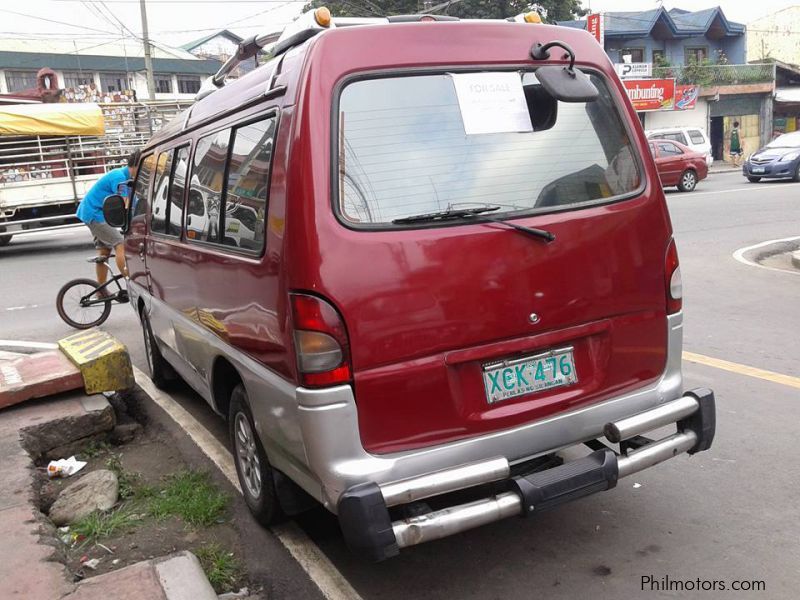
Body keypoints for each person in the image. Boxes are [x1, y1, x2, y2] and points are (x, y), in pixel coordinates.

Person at [76, 150, 139, 290]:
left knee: (104, 251)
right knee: (120, 243)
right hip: (94, 214)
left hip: (93, 213)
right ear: (136, 166)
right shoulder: (119, 177)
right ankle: (131, 282)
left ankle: (101, 289)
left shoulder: (123, 176)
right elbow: (125, 204)